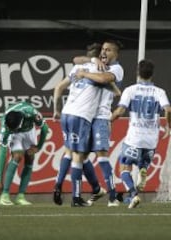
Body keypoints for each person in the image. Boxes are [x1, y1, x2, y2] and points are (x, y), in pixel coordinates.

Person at [111, 59, 171, 208]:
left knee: (124, 167)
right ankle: (143, 168)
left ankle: (133, 194)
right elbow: (168, 110)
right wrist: (169, 126)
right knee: (142, 163)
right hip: (151, 139)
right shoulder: (159, 92)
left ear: (138, 72)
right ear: (152, 74)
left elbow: (120, 111)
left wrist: (108, 120)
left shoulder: (130, 90)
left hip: (135, 137)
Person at [52, 43, 107, 206]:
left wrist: (56, 109)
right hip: (81, 116)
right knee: (79, 155)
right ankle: (76, 197)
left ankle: (59, 184)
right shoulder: (100, 70)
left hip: (66, 113)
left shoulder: (77, 68)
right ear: (100, 56)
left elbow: (59, 86)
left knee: (70, 151)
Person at [73, 39, 124, 207]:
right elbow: (76, 60)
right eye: (103, 49)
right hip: (86, 115)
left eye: (108, 50)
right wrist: (92, 60)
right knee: (81, 156)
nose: (104, 52)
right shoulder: (96, 63)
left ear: (115, 54)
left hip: (101, 117)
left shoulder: (117, 69)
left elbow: (103, 79)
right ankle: (95, 190)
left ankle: (112, 196)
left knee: (102, 156)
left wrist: (85, 73)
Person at [0, 101, 49, 205]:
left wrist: (38, 147)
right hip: (16, 134)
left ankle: (21, 196)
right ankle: (5, 195)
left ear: (20, 122)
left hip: (29, 131)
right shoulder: (5, 127)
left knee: (30, 157)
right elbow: (2, 152)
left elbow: (45, 128)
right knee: (17, 156)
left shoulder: (31, 112)